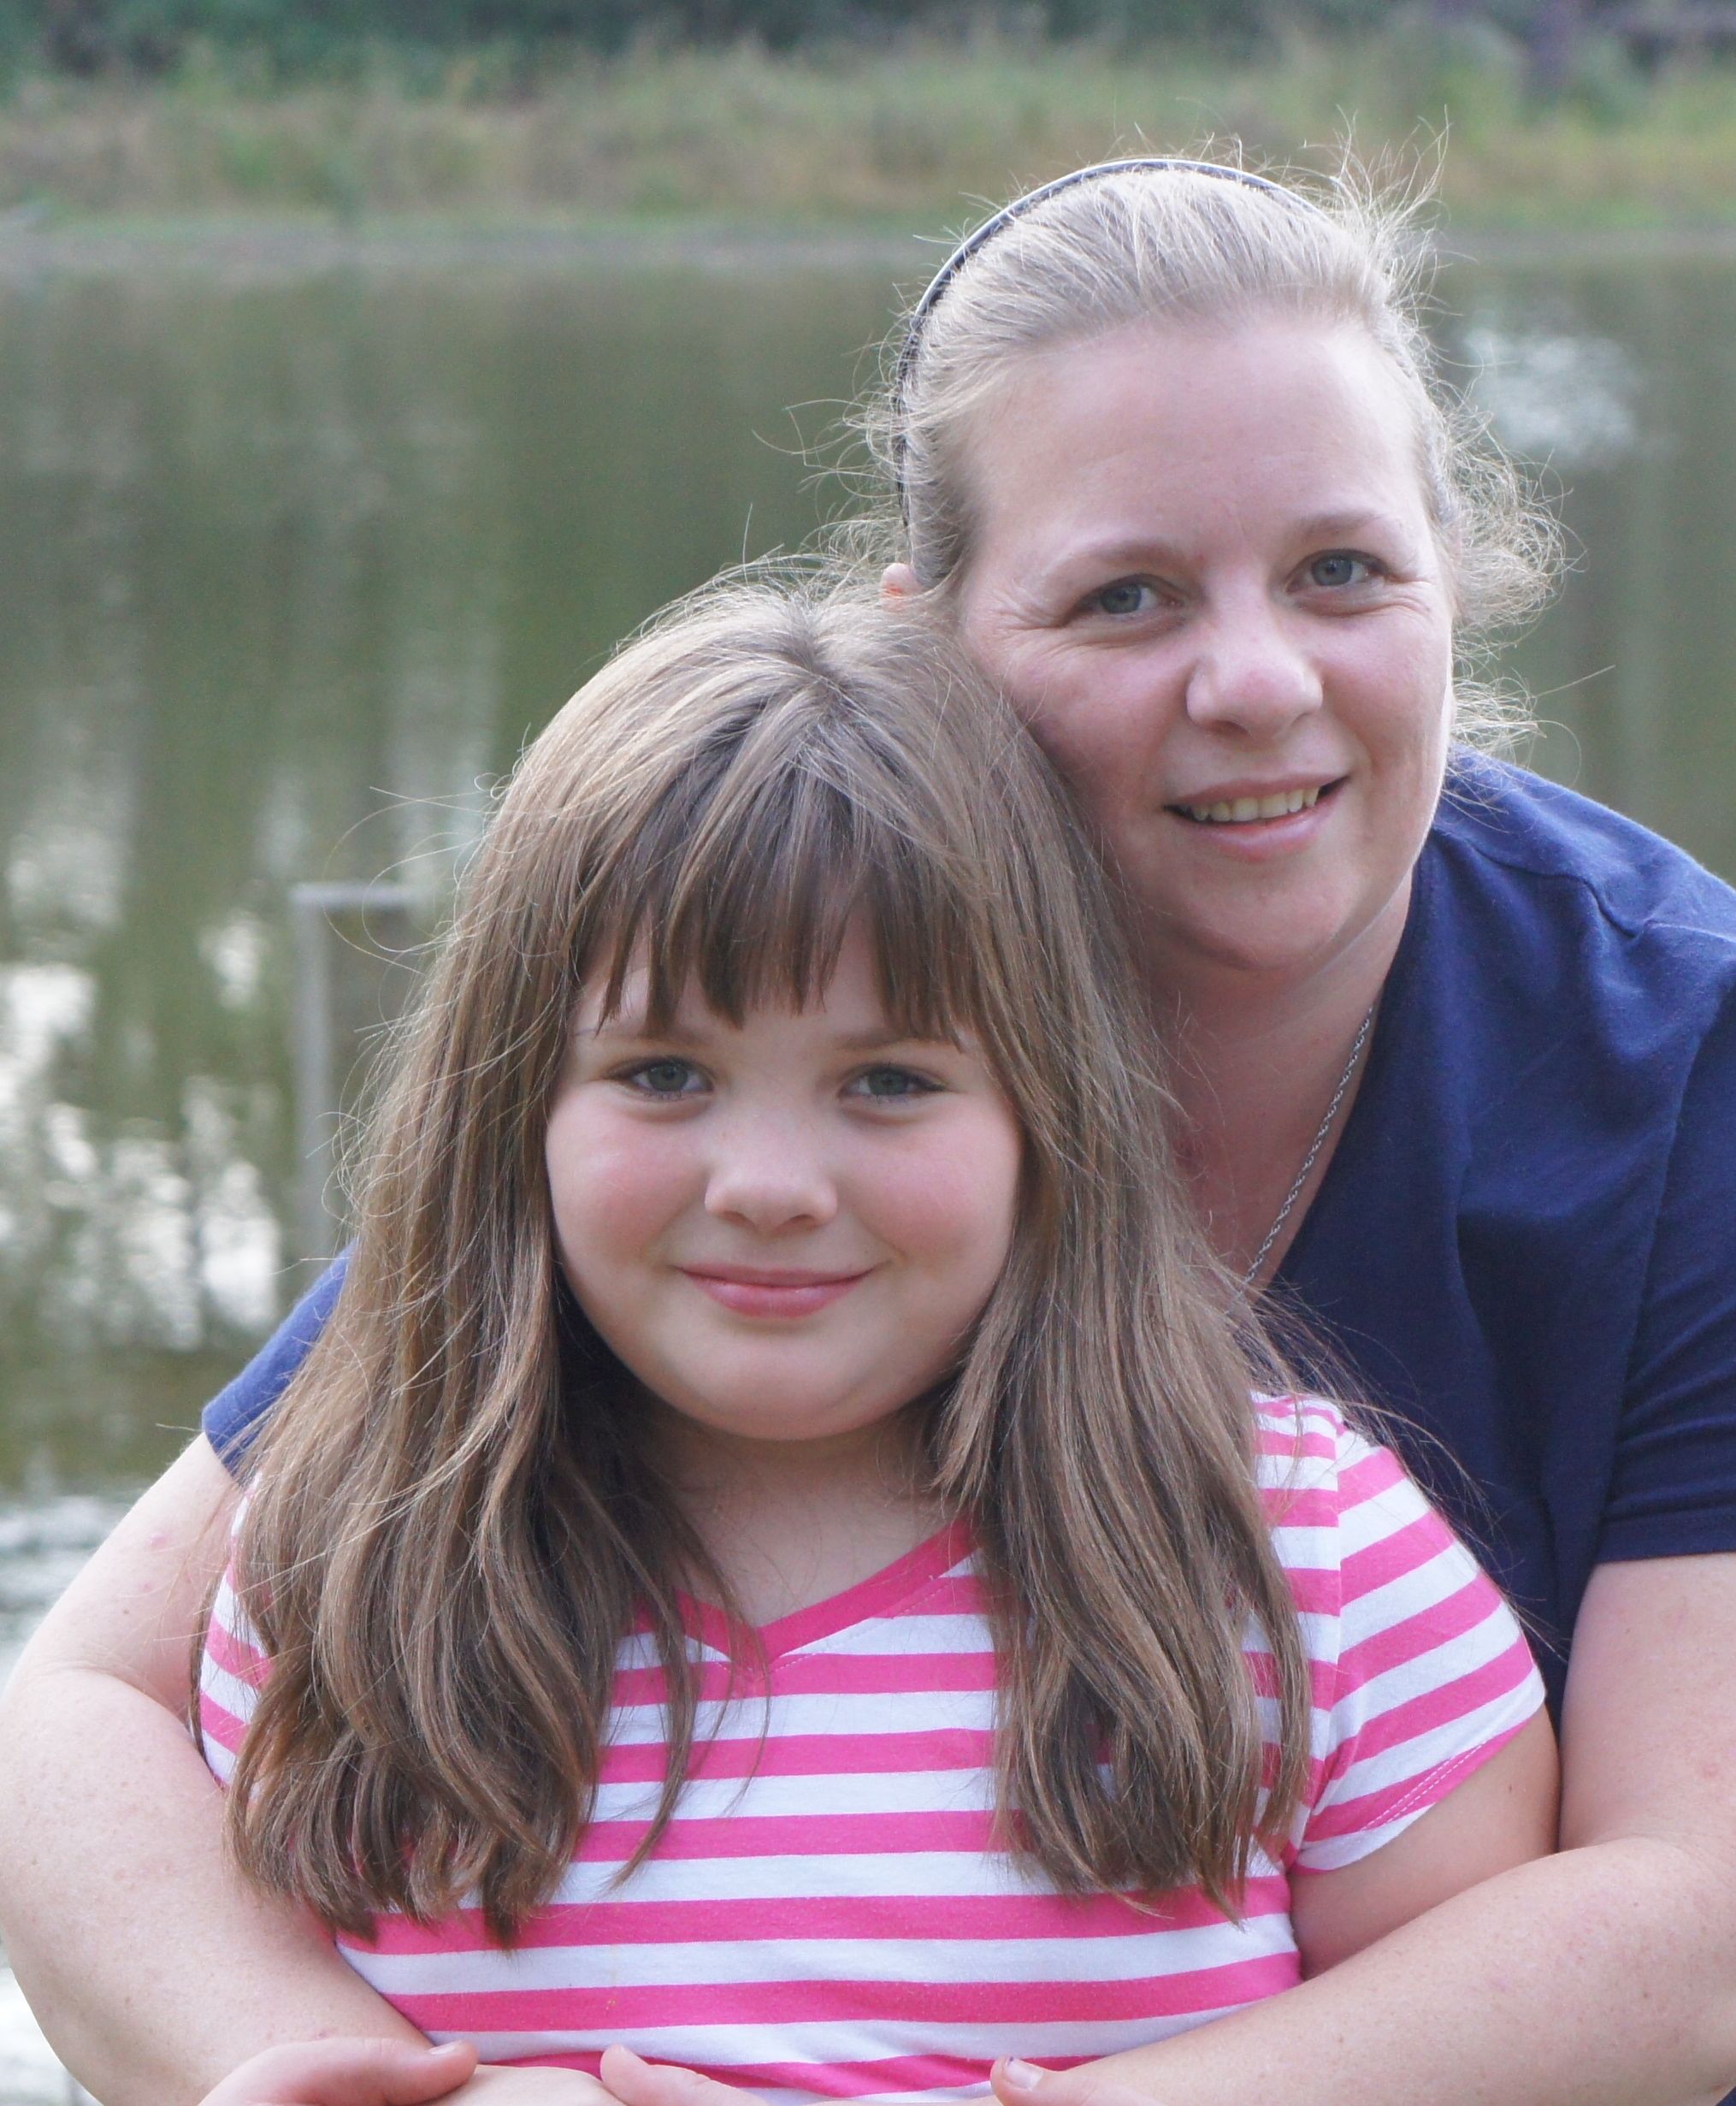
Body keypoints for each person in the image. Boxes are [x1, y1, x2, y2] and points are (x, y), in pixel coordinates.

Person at [3, 153, 1736, 2106]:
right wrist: (354, 2079)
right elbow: (82, 1709)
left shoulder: (1676, 1047)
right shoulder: (749, 1029)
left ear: (1450, 576)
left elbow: (1697, 1936)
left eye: (1342, 570)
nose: (1258, 680)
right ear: (932, 646)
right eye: (1125, 594)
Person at [198, 582, 1550, 2094]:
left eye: (890, 1081)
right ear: (512, 1108)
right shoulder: (339, 1571)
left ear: (1049, 1115)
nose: (768, 1185)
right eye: (662, 1073)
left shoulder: (1309, 1562)